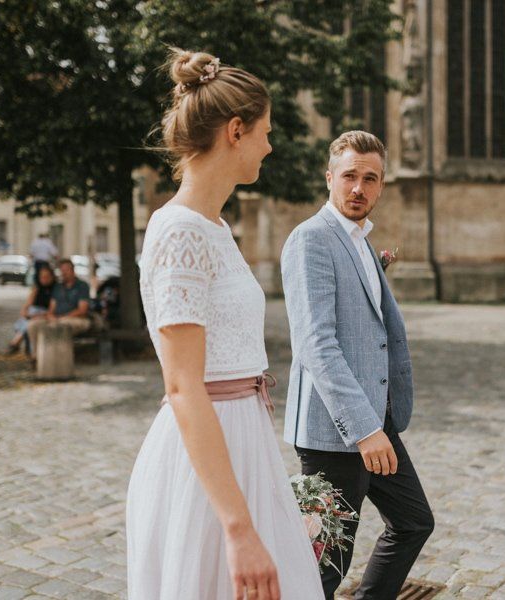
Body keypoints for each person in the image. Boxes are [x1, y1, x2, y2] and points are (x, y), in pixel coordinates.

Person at [125, 49, 323, 600]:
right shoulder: (181, 232)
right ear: (236, 131)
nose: (270, 145)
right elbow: (183, 385)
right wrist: (238, 528)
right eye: (265, 132)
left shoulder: (214, 228)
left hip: (245, 442)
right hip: (203, 467)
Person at [281, 131, 434, 599]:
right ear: (330, 178)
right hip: (336, 431)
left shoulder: (361, 241)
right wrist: (365, 429)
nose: (358, 188)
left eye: (370, 179)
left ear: (382, 185)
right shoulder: (311, 239)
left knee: (412, 522)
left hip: (378, 419)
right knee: (326, 562)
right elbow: (317, 345)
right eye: (349, 176)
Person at [25, 258, 91, 358]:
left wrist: (61, 317)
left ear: (73, 270)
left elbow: (82, 310)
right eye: (62, 270)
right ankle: (37, 357)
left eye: (66, 270)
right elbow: (52, 308)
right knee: (33, 325)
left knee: (61, 325)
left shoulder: (82, 286)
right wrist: (50, 316)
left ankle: (59, 358)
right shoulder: (58, 287)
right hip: (57, 318)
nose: (64, 273)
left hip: (77, 319)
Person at [6, 264, 55, 354]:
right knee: (27, 320)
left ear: (52, 277)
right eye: (42, 277)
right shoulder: (37, 287)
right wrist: (24, 311)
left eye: (46, 277)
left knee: (28, 322)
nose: (44, 279)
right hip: (32, 311)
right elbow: (28, 302)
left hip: (43, 313)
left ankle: (15, 342)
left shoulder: (55, 289)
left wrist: (35, 315)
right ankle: (20, 345)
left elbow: (51, 310)